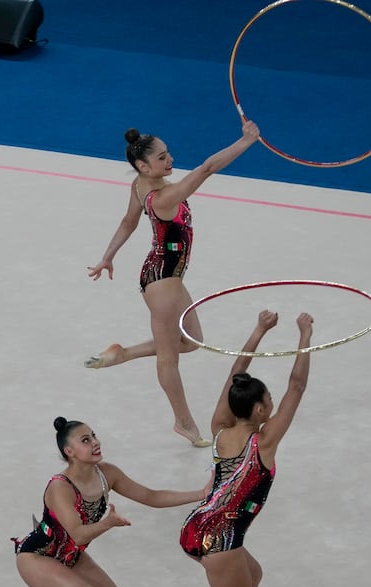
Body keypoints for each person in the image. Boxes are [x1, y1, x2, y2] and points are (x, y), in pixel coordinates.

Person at [85, 120, 262, 448]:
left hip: (165, 274)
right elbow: (208, 167)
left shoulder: (140, 184)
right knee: (169, 357)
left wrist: (107, 257)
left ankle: (123, 353)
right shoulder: (165, 196)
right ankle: (184, 423)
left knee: (192, 341)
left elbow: (128, 221)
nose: (171, 161)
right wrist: (246, 141)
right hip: (162, 282)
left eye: (169, 155)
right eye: (163, 158)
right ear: (144, 166)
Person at [174, 310, 313, 587]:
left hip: (194, 529)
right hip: (221, 540)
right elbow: (298, 385)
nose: (273, 402)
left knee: (254, 576)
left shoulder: (219, 427)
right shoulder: (264, 442)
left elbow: (235, 372)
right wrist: (305, 333)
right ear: (258, 411)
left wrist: (259, 330)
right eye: (267, 400)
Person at [14, 417, 209, 587]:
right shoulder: (60, 487)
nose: (95, 442)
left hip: (71, 556)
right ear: (69, 452)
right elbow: (78, 534)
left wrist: (202, 492)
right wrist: (107, 523)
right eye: (85, 440)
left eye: (93, 436)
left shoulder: (107, 473)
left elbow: (151, 496)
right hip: (38, 556)